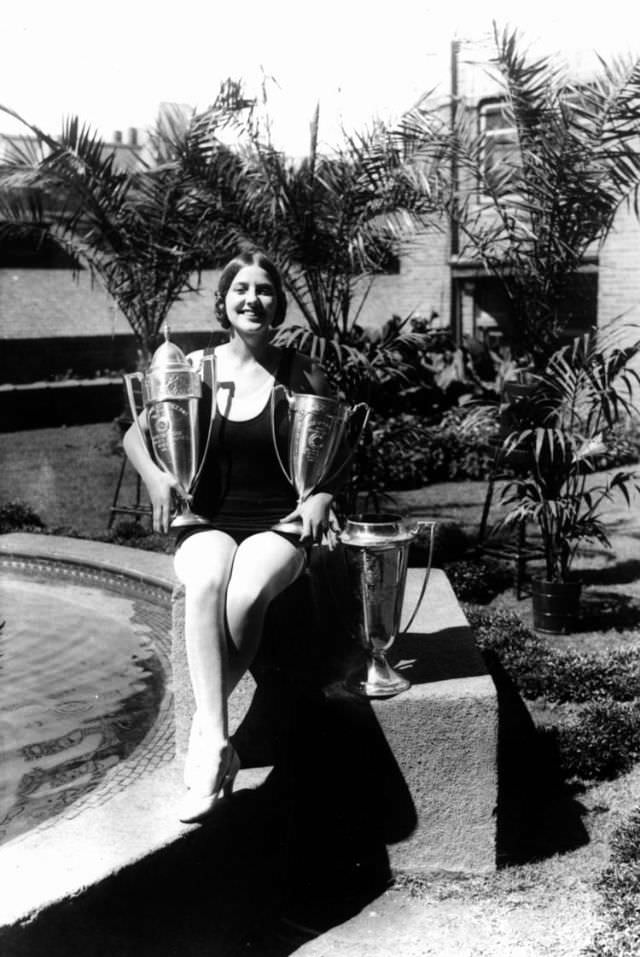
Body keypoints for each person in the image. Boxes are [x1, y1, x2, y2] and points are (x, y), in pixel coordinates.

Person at [123, 249, 337, 823]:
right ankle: (221, 743)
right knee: (208, 580)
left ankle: (205, 740)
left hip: (280, 522)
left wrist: (321, 494)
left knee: (245, 594)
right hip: (207, 517)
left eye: (264, 290)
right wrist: (157, 478)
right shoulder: (196, 369)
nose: (252, 300)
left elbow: (341, 447)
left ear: (278, 303)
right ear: (224, 301)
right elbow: (136, 436)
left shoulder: (302, 371)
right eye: (241, 289)